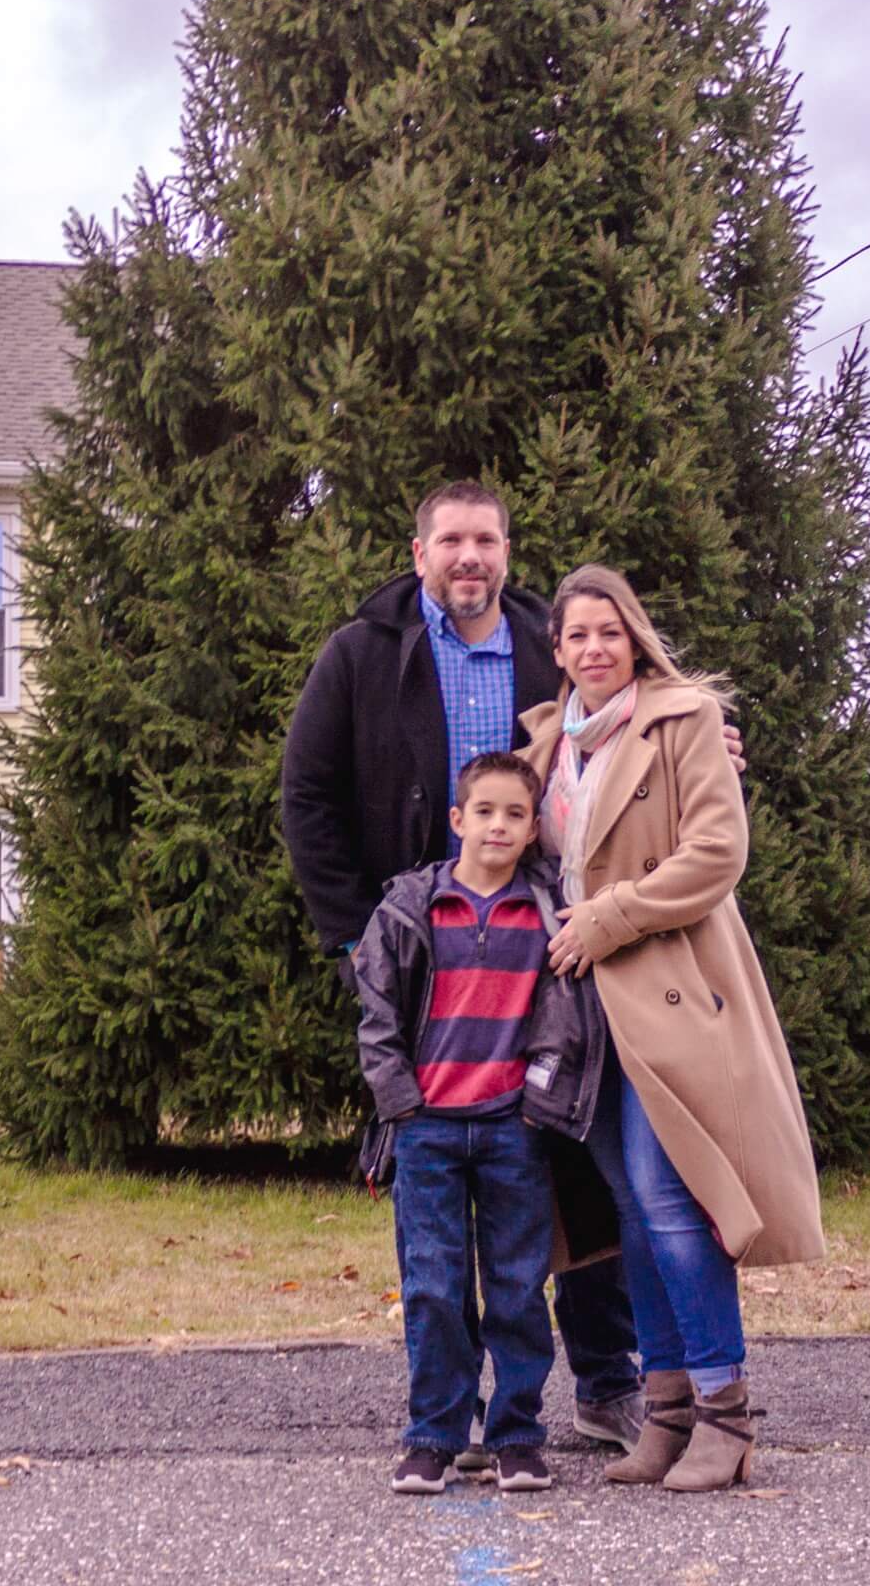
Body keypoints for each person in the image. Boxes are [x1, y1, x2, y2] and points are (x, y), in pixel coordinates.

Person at [285, 481, 670, 1451]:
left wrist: (712, 738)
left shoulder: (546, 638)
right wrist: (354, 942)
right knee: (439, 1185)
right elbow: (308, 797)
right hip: (428, 961)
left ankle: (604, 1383)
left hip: (547, 945)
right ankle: (446, 1409)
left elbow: (635, 716)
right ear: (418, 552)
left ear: (506, 549)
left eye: (485, 538)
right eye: (450, 538)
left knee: (572, 1163)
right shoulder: (362, 652)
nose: (469, 555)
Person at [522, 563, 824, 1491]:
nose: (593, 649)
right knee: (628, 1213)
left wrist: (608, 917)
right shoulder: (542, 742)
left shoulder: (682, 717)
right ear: (559, 650)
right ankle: (666, 1419)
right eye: (576, 636)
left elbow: (717, 854)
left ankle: (726, 1418)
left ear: (634, 637)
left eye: (609, 632)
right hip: (582, 1011)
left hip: (668, 988)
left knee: (669, 1199)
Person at [352, 752, 561, 1495]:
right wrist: (401, 1103)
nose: (499, 825)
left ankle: (517, 1435)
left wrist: (540, 1104)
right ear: (457, 819)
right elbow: (375, 1015)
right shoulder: (410, 908)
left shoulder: (547, 911)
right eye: (485, 812)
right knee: (434, 1286)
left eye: (515, 814)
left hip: (514, 1129)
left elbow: (565, 1019)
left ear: (534, 827)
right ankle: (434, 1435)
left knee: (516, 1288)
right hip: (429, 1129)